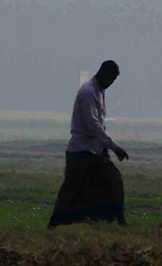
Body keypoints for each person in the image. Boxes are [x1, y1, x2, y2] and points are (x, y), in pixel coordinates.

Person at [48, 60, 129, 228]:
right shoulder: (88, 92)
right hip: (81, 151)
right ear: (104, 73)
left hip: (95, 150)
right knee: (71, 189)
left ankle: (117, 220)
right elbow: (93, 126)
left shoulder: (99, 91)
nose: (111, 83)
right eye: (111, 79)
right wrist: (115, 147)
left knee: (113, 180)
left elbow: (99, 122)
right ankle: (54, 224)